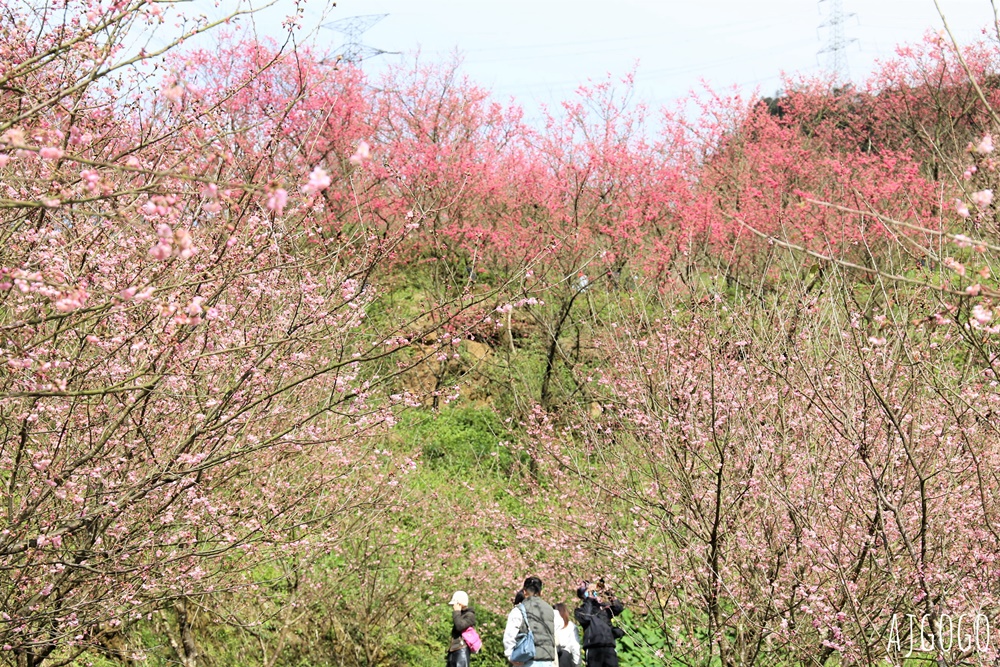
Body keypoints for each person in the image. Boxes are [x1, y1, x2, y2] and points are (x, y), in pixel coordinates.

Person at [503, 576, 558, 667]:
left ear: (524, 592)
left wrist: (510, 655)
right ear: (541, 592)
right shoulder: (550, 610)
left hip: (526, 659)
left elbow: (510, 635)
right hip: (547, 660)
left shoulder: (519, 609)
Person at [574, 580, 625, 667]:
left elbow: (618, 608)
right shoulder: (580, 611)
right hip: (593, 648)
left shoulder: (603, 608)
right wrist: (589, 599)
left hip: (609, 646)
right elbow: (586, 617)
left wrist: (608, 592)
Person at [447, 590, 476, 667]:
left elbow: (459, 626)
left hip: (461, 650)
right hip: (454, 649)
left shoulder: (470, 616)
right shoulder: (461, 615)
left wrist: (457, 612)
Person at [554, 602, 581, 667]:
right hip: (565, 657)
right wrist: (577, 663)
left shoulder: (550, 625)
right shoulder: (571, 626)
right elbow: (575, 645)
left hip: (552, 656)